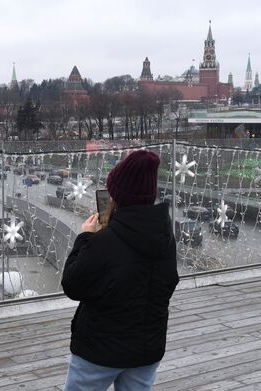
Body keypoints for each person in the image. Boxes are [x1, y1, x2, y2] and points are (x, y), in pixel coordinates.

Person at [61, 150, 179, 390]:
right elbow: (168, 283)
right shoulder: (165, 237)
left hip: (99, 351)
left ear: (117, 196)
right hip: (147, 349)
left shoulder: (104, 241)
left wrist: (85, 238)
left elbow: (72, 284)